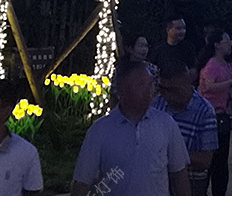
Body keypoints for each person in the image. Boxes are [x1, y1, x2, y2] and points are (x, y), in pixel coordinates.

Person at [72, 60, 190, 195]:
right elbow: (82, 182)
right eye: (141, 84)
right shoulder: (100, 131)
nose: (149, 90)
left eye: (150, 83)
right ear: (123, 90)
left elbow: (179, 173)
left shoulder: (166, 124)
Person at [153, 60, 219, 196]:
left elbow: (205, 160)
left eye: (173, 90)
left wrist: (169, 153)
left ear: (187, 83)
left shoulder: (204, 111)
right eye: (162, 89)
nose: (167, 95)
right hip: (157, 183)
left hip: (190, 184)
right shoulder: (156, 104)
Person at [198, 29, 232, 196]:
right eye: (226, 40)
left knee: (222, 160)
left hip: (223, 115)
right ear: (217, 45)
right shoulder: (212, 65)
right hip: (210, 116)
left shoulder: (227, 65)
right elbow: (209, 86)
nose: (229, 44)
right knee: (211, 159)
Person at [110, 31, 152, 107]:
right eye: (141, 46)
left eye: (146, 46)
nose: (144, 49)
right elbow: (115, 92)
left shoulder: (151, 69)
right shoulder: (121, 69)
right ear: (130, 48)